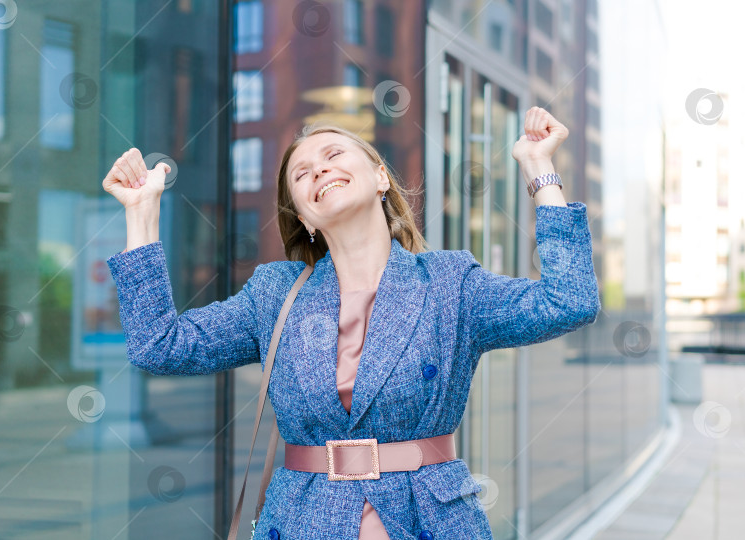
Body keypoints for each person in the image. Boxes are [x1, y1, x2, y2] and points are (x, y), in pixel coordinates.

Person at [102, 106, 601, 539]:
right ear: (305, 218)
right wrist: (142, 215)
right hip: (304, 523)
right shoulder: (274, 293)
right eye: (301, 174)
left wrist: (540, 169)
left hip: (429, 519)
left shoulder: (450, 283)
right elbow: (159, 346)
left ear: (381, 177)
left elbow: (569, 301)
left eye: (334, 156)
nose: (318, 171)